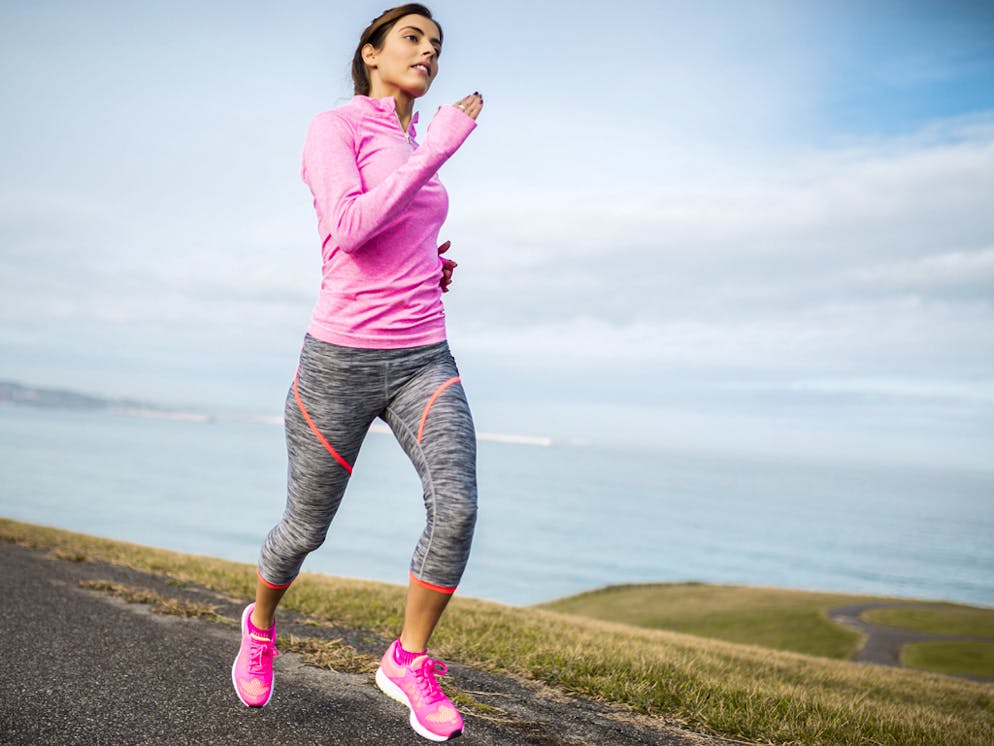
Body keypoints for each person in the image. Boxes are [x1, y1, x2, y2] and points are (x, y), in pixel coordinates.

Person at [231, 5, 483, 742]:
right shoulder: (334, 128)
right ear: (370, 52)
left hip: (422, 356)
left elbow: (388, 233)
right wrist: (434, 149)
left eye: (437, 44)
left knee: (458, 507)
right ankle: (261, 625)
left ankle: (408, 659)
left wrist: (427, 266)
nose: (429, 53)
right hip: (339, 361)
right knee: (304, 530)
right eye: (413, 38)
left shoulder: (412, 141)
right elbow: (345, 227)